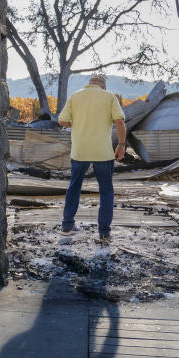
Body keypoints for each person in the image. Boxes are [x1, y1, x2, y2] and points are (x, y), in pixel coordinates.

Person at [57, 74, 127, 245]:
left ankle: (67, 226)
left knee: (74, 186)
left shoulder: (75, 96)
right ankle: (104, 233)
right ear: (103, 86)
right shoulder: (109, 97)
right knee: (106, 190)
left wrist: (78, 123)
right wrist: (122, 144)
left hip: (80, 151)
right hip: (102, 152)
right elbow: (119, 121)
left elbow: (62, 121)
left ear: (90, 84)